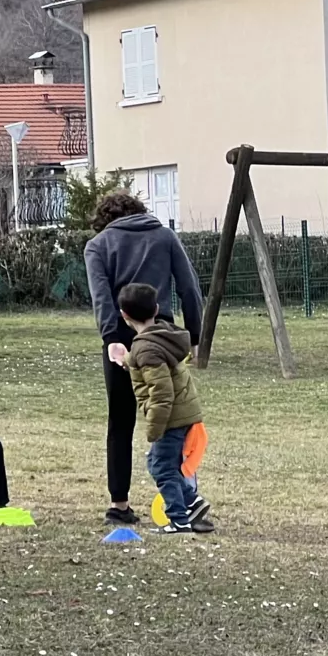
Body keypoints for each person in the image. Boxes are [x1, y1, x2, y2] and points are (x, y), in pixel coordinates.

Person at [85, 190, 204, 527]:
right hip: (164, 336)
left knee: (120, 422)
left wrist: (111, 339)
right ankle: (186, 499)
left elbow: (101, 298)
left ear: (105, 220)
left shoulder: (97, 246)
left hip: (122, 336)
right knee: (176, 419)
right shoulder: (164, 236)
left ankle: (119, 505)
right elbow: (189, 288)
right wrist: (194, 336)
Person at [114, 281, 215, 535]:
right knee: (157, 463)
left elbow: (161, 393)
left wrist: (154, 429)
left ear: (124, 316)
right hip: (184, 412)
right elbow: (146, 359)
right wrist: (126, 360)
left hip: (170, 418)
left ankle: (179, 519)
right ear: (156, 309)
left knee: (162, 467)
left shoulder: (146, 348)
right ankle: (191, 501)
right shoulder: (160, 335)